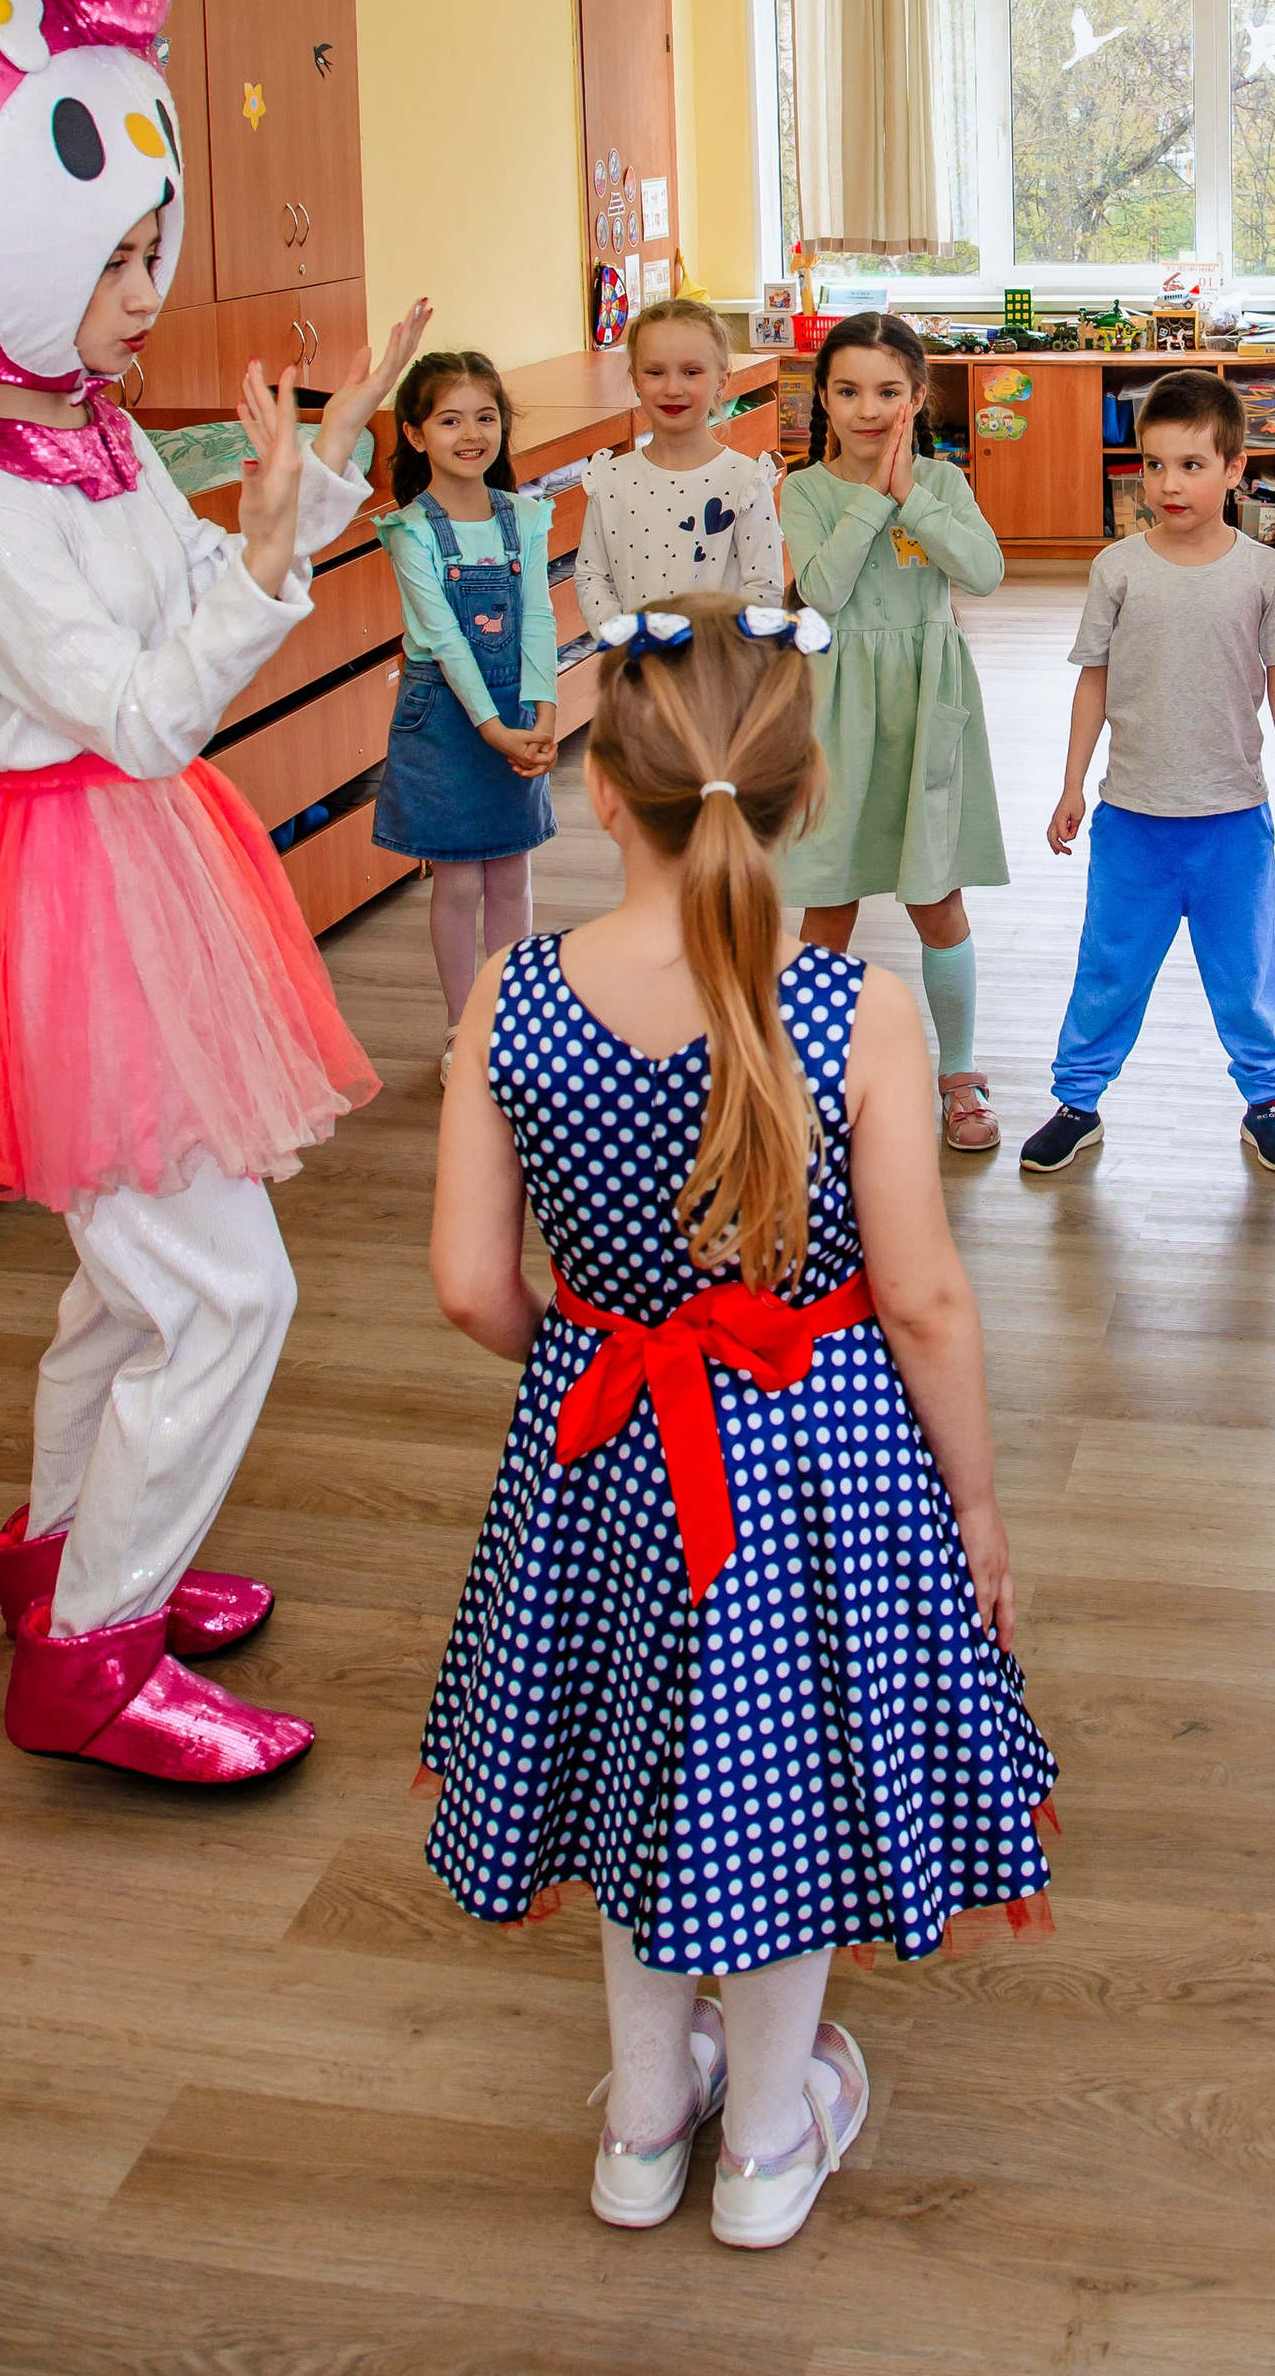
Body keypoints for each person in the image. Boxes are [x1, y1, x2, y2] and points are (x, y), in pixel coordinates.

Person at [0, 0, 414, 1787]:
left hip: (118, 879)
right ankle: (89, 1654)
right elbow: (158, 707)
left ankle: (71, 1545)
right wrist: (254, 564)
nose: (146, 293)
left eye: (154, 251)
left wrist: (301, 490)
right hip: (61, 883)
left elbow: (188, 588)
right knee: (223, 1286)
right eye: (119, 256)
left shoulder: (71, 441)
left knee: (134, 1274)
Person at [422, 601, 1054, 2247]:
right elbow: (922, 1299)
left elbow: (468, 1286)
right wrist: (976, 1508)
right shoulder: (862, 1008)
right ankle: (768, 2141)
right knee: (780, 1783)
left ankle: (644, 2129)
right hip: (821, 1461)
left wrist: (590, 1349)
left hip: (602, 1441)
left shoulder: (513, 994)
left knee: (642, 1767)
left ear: (599, 793)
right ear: (806, 787)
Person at [1022, 369, 1275, 1181]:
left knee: (1245, 970)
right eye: (1154, 465)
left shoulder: (1265, 573)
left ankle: (1267, 1101)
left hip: (1233, 819)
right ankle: (1077, 1101)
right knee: (1109, 965)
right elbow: (1095, 680)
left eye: (1191, 465)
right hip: (1133, 818)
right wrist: (1073, 782)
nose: (1169, 483)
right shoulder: (1117, 568)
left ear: (1234, 470)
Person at [777, 314, 1009, 1155]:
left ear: (917, 397)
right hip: (838, 710)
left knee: (936, 896)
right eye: (847, 391)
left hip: (925, 707)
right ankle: (806, 1076)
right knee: (829, 897)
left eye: (888, 391)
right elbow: (823, 593)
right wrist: (875, 496)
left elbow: (982, 573)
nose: (867, 410)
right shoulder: (803, 491)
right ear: (824, 400)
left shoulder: (942, 484)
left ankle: (962, 1074)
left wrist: (910, 492)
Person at [374, 349, 560, 1064]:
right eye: (450, 420)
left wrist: (541, 710)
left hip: (515, 712)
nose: (471, 433)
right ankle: (464, 1029)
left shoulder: (525, 516)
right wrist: (492, 728)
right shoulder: (411, 529)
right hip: (452, 721)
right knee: (457, 879)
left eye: (485, 417)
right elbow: (445, 640)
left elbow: (539, 616)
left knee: (511, 873)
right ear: (417, 436)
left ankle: (508, 1024)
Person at [573, 300, 784, 621]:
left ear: (722, 380)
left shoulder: (745, 480)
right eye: (655, 372)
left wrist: (710, 649)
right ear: (636, 381)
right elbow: (591, 576)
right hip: (638, 663)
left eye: (691, 372)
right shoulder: (611, 479)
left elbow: (764, 587)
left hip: (718, 663)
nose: (672, 388)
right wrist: (625, 640)